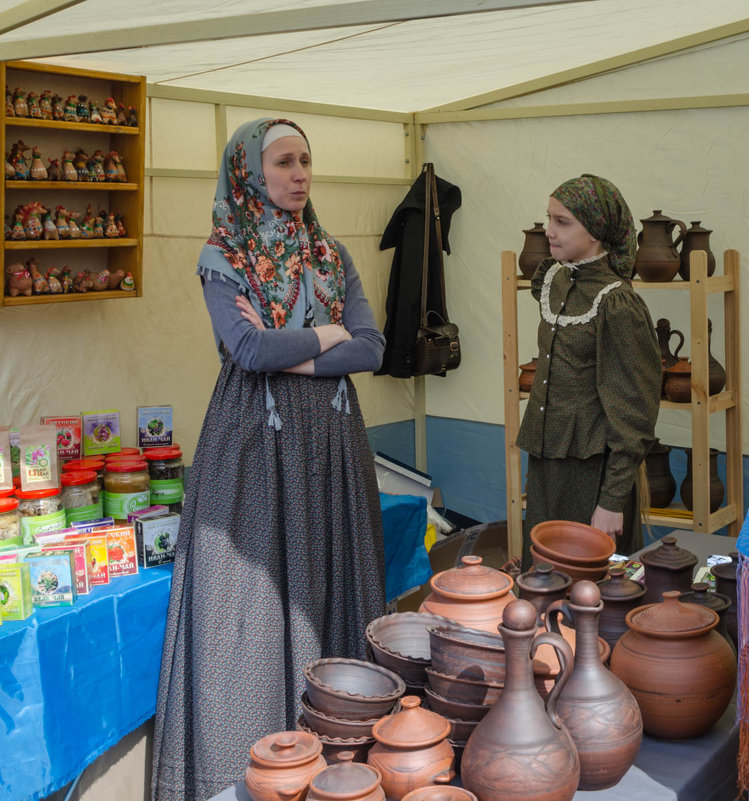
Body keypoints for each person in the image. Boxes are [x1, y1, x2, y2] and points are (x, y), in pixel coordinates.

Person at [152, 118, 387, 801]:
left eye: (306, 159)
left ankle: (344, 760)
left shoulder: (331, 253)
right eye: (284, 161)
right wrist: (324, 335)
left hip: (333, 448)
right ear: (249, 170)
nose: (299, 173)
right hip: (254, 447)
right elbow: (245, 351)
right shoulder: (222, 255)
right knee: (253, 607)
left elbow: (371, 347)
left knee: (330, 592)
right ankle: (260, 769)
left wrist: (293, 346)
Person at [516, 174, 662, 569]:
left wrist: (611, 501)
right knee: (545, 577)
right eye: (549, 219)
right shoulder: (554, 281)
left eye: (563, 222)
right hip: (549, 463)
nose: (549, 231)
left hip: (592, 472)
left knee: (592, 588)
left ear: (596, 232)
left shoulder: (617, 304)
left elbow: (635, 411)